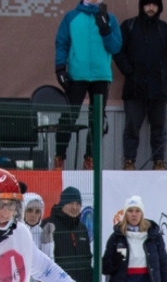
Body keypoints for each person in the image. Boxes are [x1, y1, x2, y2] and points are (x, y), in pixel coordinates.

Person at [113, 0, 167, 170]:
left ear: (159, 7)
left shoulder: (165, 29)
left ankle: (159, 161)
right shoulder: (129, 26)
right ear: (141, 6)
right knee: (132, 127)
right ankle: (129, 161)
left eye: (154, 5)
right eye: (147, 4)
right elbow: (118, 51)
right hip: (134, 87)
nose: (151, 8)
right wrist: (129, 72)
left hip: (159, 88)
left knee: (159, 128)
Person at [53, 0, 123, 170]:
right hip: (77, 74)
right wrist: (60, 68)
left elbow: (116, 47)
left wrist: (105, 29)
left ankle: (90, 159)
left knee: (97, 120)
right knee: (68, 117)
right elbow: (62, 43)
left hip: (101, 75)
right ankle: (59, 157)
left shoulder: (110, 18)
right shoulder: (72, 17)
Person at [41, 186, 93, 282]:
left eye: (78, 204)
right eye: (71, 203)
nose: (74, 207)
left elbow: (87, 258)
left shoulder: (82, 228)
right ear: (62, 204)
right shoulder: (49, 225)